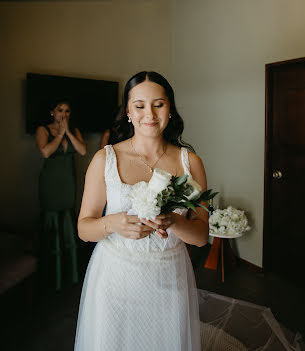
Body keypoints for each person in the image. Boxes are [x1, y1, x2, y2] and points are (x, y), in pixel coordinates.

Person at [74, 72, 209, 350]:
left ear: (170, 108)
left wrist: (173, 221)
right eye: (140, 105)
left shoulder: (190, 163)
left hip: (169, 281)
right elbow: (84, 229)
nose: (149, 113)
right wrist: (112, 224)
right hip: (115, 281)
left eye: (158, 104)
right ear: (128, 112)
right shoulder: (105, 159)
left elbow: (200, 237)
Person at [36, 99, 86, 292]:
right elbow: (46, 152)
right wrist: (59, 135)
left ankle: (70, 275)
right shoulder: (43, 130)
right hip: (50, 184)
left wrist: (68, 133)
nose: (63, 114)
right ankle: (52, 277)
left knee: (68, 221)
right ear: (52, 113)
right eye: (59, 110)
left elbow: (82, 150)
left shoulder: (75, 131)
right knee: (53, 224)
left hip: (68, 184)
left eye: (67, 111)